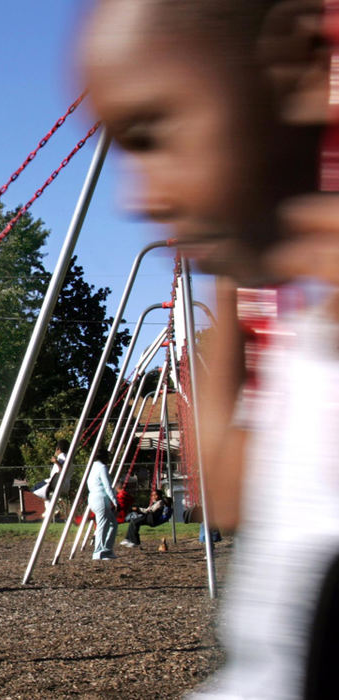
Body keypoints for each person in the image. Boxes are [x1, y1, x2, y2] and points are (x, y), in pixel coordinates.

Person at [80, 0, 339, 695]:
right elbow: (226, 497)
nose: (137, 199)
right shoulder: (303, 311)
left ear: (303, 63)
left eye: (152, 132)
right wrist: (230, 262)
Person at [87, 447, 118, 561]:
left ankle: (107, 549)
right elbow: (107, 486)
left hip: (93, 498)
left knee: (112, 524)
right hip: (100, 498)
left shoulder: (93, 467)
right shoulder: (102, 467)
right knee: (102, 526)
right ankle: (99, 552)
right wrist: (115, 501)